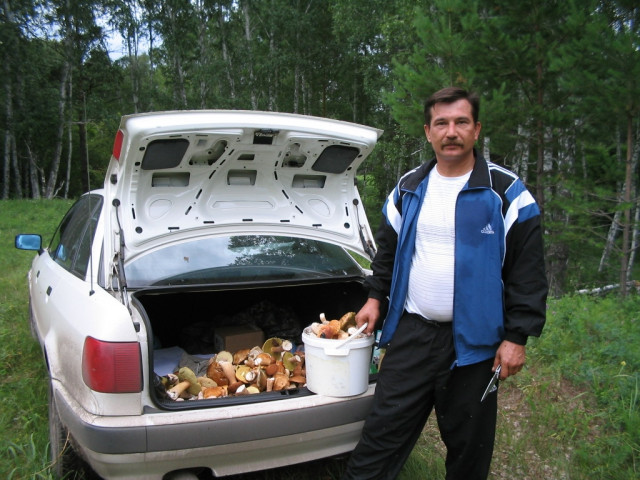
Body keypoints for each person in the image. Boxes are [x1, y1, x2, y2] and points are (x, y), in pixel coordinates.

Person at [342, 87, 548, 480]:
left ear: (476, 130)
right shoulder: (408, 188)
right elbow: (387, 252)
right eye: (442, 123)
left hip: (475, 346)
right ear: (428, 132)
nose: (451, 131)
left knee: (469, 451)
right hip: (413, 335)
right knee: (380, 437)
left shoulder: (506, 193)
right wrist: (374, 298)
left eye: (461, 122)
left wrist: (518, 336)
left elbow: (528, 270)